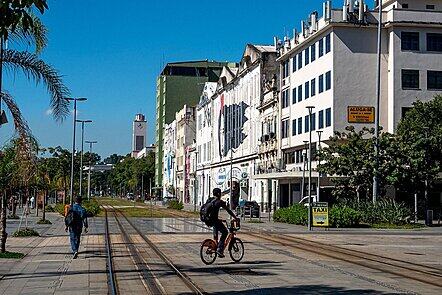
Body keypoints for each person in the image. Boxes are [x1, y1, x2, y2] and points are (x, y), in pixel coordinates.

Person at [211, 188, 238, 258]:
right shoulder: (219, 202)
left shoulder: (210, 200)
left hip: (210, 220)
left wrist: (220, 219)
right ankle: (220, 249)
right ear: (219, 194)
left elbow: (212, 213)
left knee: (216, 233)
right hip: (214, 220)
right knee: (225, 232)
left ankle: (216, 246)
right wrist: (235, 217)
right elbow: (228, 210)